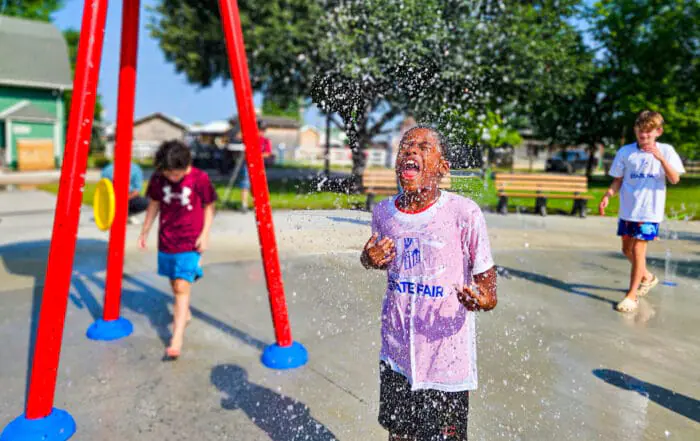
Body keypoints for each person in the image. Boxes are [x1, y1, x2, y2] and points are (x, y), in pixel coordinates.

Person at [361, 126, 498, 440]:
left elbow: (489, 290)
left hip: (445, 360)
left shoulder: (463, 213)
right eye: (406, 146)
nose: (410, 150)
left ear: (443, 167)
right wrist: (370, 258)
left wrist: (480, 299)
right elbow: (374, 259)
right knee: (398, 434)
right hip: (396, 353)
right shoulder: (383, 213)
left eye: (424, 147)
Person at [137, 140, 217, 359]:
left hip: (191, 240)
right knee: (175, 283)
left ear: (187, 165)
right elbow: (154, 204)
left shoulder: (200, 179)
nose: (171, 178)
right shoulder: (158, 178)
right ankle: (186, 310)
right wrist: (145, 231)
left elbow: (209, 207)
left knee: (181, 286)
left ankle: (176, 338)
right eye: (168, 173)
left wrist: (205, 234)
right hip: (167, 239)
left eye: (176, 174)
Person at [599, 110, 685, 313]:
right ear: (635, 131)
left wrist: (661, 159)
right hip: (628, 210)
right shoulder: (626, 152)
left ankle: (631, 296)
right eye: (640, 132)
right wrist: (607, 195)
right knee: (626, 250)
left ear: (658, 132)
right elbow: (618, 179)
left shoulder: (667, 150)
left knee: (638, 251)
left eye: (648, 133)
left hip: (649, 212)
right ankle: (647, 277)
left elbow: (675, 179)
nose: (644, 136)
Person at [237, 121, 273, 212]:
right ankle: (244, 204)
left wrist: (257, 155)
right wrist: (247, 129)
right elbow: (238, 136)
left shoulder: (266, 141)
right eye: (260, 129)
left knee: (257, 186)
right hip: (248, 164)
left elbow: (268, 153)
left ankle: (257, 204)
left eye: (263, 130)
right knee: (245, 184)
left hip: (259, 165)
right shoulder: (250, 138)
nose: (261, 132)